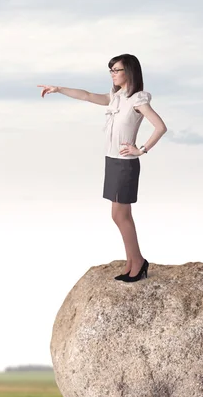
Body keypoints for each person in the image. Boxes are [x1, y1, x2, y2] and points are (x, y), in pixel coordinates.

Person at [37, 54, 167, 282]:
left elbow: (160, 127)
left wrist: (142, 149)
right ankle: (132, 260)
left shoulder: (138, 100)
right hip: (112, 161)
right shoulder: (115, 97)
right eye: (111, 70)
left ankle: (138, 262)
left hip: (125, 164)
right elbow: (86, 95)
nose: (113, 74)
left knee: (120, 215)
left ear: (129, 72)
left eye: (117, 70)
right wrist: (58, 89)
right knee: (119, 215)